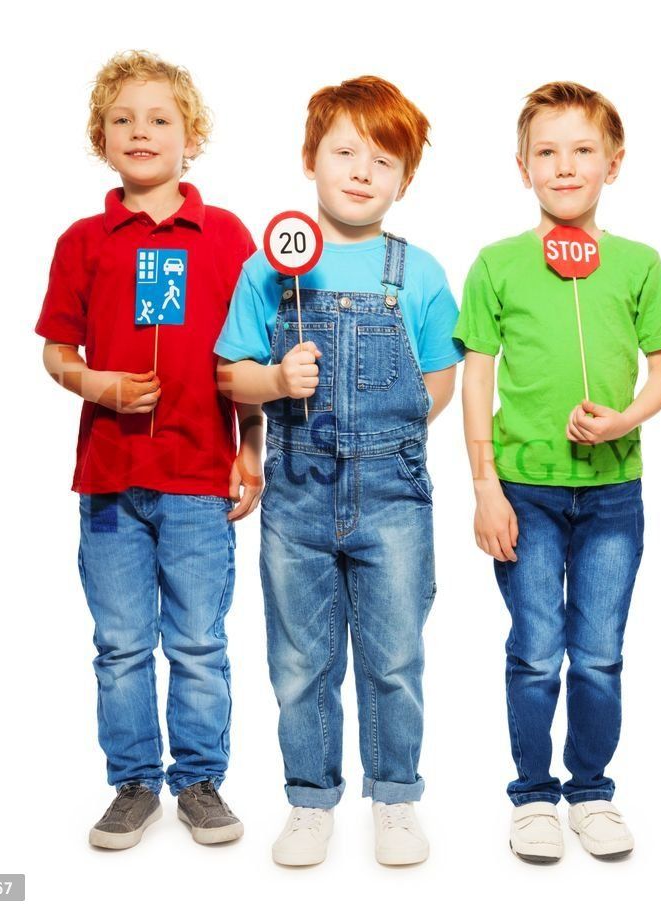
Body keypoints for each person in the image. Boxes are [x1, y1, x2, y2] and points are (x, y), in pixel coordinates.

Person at [215, 75, 462, 867]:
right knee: (301, 658)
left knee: (394, 655)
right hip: (296, 489)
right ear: (309, 158)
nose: (362, 170)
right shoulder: (270, 267)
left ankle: (395, 798)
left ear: (406, 179)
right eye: (345, 151)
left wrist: (387, 432)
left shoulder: (416, 270)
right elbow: (231, 373)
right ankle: (309, 799)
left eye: (383, 159)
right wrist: (275, 382)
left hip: (393, 492)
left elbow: (438, 374)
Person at [454, 81, 661, 863]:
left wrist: (625, 418)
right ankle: (531, 796)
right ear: (522, 166)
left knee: (598, 649)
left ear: (613, 163)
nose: (564, 165)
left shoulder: (639, 264)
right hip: (525, 489)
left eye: (582, 149)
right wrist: (485, 484)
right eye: (547, 151)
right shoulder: (496, 265)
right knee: (534, 645)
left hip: (614, 492)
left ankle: (590, 789)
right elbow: (478, 377)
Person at [36, 50, 260, 850]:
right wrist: (99, 386)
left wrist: (252, 450)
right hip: (109, 479)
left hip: (200, 475)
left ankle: (198, 779)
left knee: (198, 639)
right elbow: (57, 351)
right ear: (101, 139)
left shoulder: (228, 235)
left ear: (190, 137)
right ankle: (133, 782)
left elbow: (247, 356)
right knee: (121, 642)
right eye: (123, 119)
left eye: (160, 118)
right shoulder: (83, 241)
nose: (141, 131)